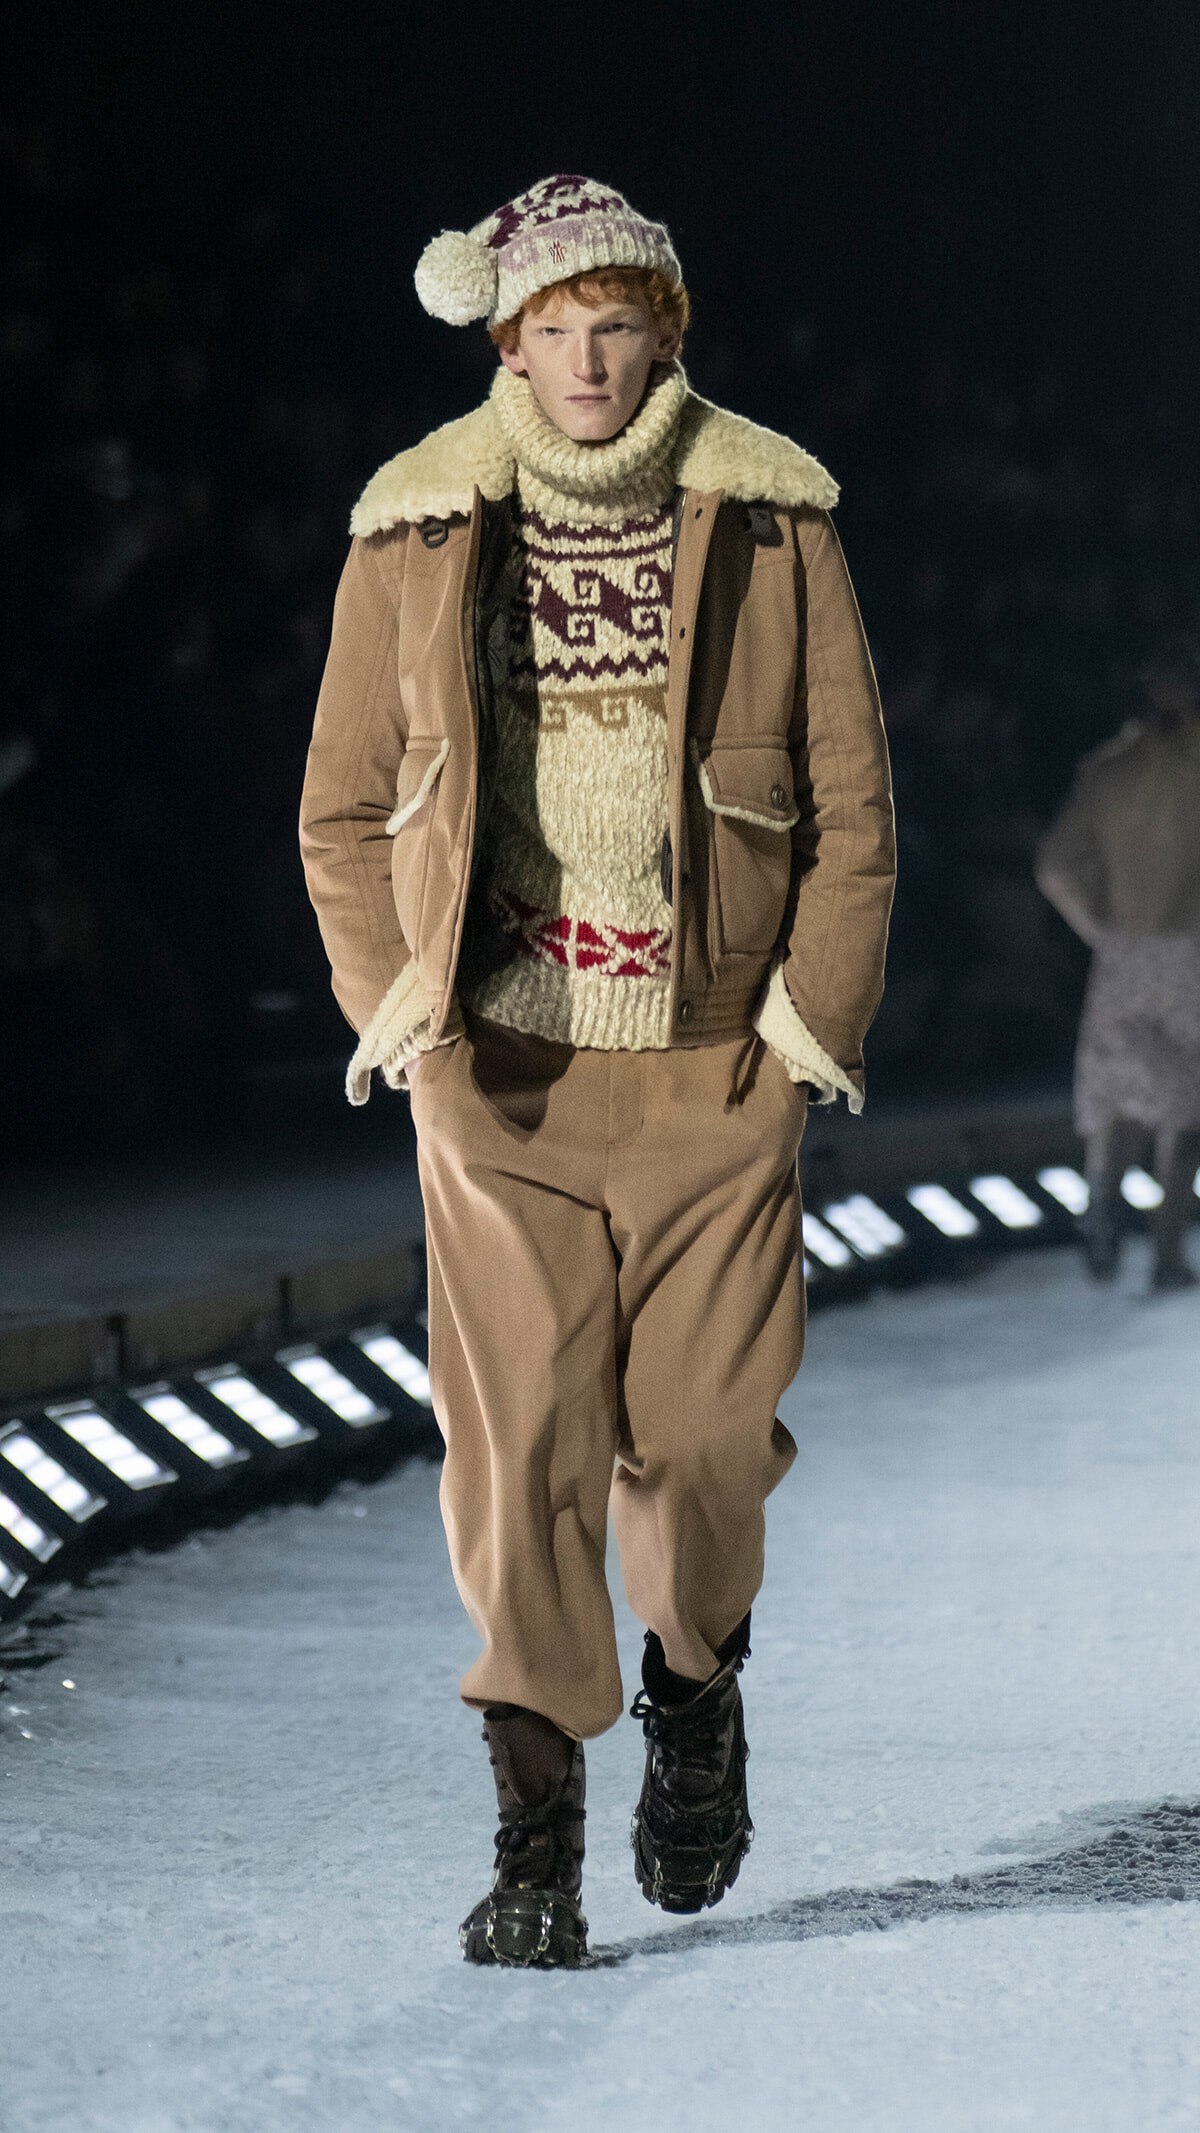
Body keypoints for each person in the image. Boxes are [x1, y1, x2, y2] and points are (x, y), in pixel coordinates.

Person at [300, 176, 894, 1966]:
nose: (585, 355)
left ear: (669, 331)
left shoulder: (774, 514)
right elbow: (339, 808)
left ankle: (695, 1688)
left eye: (617, 321)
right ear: (506, 336)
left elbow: (857, 805)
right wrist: (395, 1004)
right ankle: (536, 1828)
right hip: (504, 1082)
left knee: (706, 1441)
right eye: (552, 326)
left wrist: (808, 1026)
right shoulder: (416, 523)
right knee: (520, 1455)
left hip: (716, 1068)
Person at [1036, 636, 1200, 1290]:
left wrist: (1097, 926)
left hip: (1124, 953)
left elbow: (1052, 865)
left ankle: (1100, 1198)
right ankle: (1165, 1255)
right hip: (1192, 953)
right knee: (1183, 1110)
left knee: (1116, 1090)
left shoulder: (1108, 769)